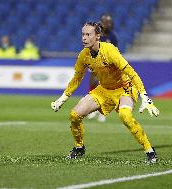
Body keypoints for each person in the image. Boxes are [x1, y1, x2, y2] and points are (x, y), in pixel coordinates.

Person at [51, 22, 160, 163]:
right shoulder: (83, 55)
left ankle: (150, 151)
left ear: (97, 36)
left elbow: (131, 72)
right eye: (83, 34)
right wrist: (62, 99)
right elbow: (76, 79)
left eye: (88, 34)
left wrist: (145, 96)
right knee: (74, 115)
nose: (84, 38)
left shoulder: (109, 50)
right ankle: (79, 147)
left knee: (125, 116)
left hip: (124, 88)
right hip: (104, 90)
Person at [87, 13, 118, 122]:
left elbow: (116, 52)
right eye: (105, 22)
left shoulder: (113, 36)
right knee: (92, 83)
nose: (107, 24)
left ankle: (102, 111)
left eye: (109, 22)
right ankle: (92, 109)